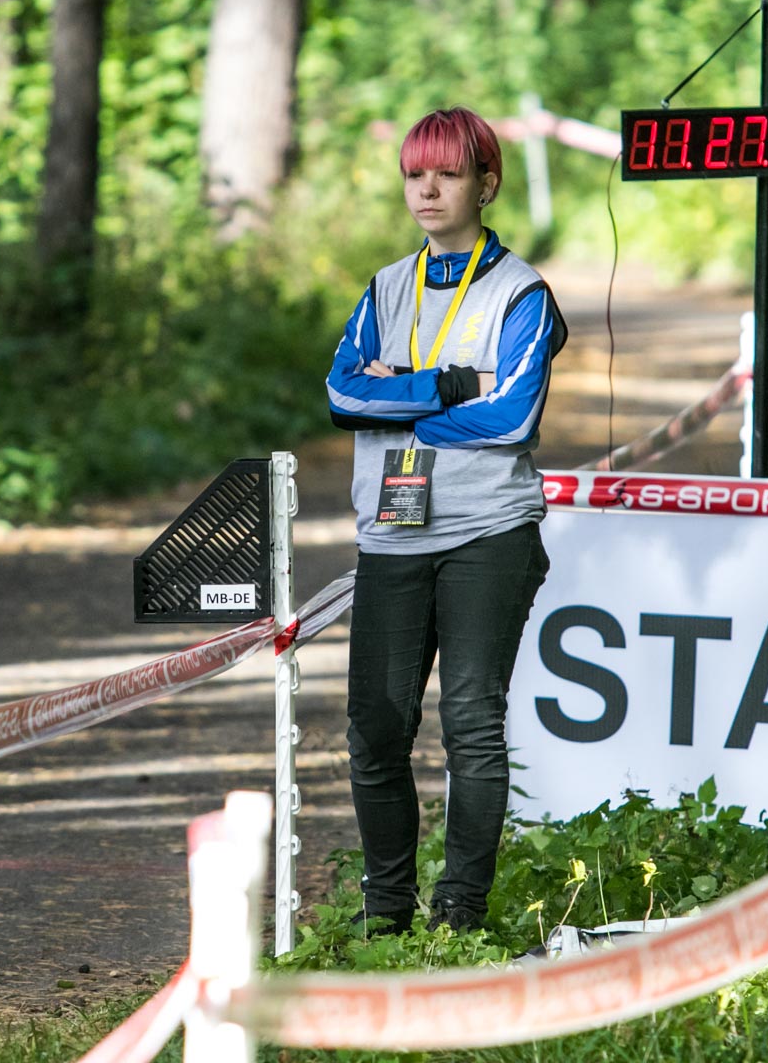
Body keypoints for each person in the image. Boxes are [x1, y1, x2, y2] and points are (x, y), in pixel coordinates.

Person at [323, 106, 565, 935]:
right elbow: (340, 395)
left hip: (488, 534)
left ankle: (461, 914)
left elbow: (511, 421)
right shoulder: (385, 286)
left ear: (486, 184)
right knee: (377, 732)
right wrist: (450, 384)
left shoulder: (523, 291)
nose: (427, 188)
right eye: (415, 173)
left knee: (470, 723)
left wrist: (400, 399)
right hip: (391, 536)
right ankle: (385, 916)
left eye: (448, 173)